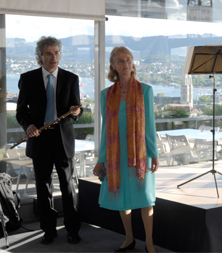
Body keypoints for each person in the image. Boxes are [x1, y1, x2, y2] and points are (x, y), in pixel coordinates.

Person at [16, 36, 82, 244]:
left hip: (63, 140)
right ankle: (48, 230)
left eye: (56, 53)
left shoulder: (72, 78)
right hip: (40, 139)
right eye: (48, 53)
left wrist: (76, 112)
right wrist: (29, 126)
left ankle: (72, 230)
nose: (54, 57)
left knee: (68, 187)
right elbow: (20, 111)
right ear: (40, 57)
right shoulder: (27, 79)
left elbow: (76, 109)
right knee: (43, 189)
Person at [93, 46, 159, 253]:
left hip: (140, 154)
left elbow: (150, 126)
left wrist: (154, 153)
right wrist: (101, 158)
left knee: (145, 198)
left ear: (133, 64)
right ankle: (129, 238)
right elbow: (105, 130)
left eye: (129, 59)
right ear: (113, 66)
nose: (126, 64)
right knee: (123, 198)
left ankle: (149, 242)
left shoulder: (145, 91)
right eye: (120, 61)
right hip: (116, 154)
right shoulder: (106, 94)